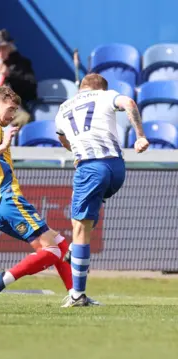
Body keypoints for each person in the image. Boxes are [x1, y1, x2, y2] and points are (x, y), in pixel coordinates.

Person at [0, 86, 98, 306]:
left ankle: (76, 295)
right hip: (7, 199)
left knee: (58, 246)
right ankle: (3, 279)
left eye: (15, 109)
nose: (13, 114)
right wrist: (4, 145)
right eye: (10, 109)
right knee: (53, 250)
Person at [55, 73, 149, 307]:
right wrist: (140, 136)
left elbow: (62, 138)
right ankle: (76, 252)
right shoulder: (106, 95)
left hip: (90, 167)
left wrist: (74, 150)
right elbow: (129, 102)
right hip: (116, 168)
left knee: (79, 227)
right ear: (102, 87)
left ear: (81, 88)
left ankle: (77, 295)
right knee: (85, 222)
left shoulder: (63, 108)